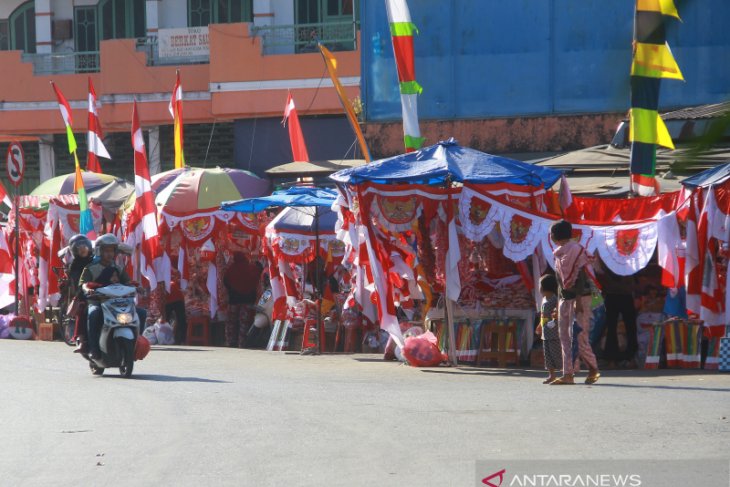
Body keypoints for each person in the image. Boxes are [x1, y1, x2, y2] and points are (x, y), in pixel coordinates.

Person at [550, 220, 600, 385]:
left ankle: (593, 368)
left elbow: (582, 277)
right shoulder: (558, 253)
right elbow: (560, 281)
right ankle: (568, 374)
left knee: (579, 336)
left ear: (556, 235)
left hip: (580, 298)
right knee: (564, 336)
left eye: (552, 233)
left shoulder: (577, 250)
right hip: (566, 298)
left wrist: (577, 300)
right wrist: (560, 303)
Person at [80, 234, 146, 359]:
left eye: (112, 250)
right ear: (99, 251)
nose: (109, 254)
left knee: (141, 313)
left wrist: (138, 287)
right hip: (97, 302)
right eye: (106, 250)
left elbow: (127, 282)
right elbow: (83, 284)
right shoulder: (90, 268)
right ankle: (94, 349)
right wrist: (87, 289)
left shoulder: (117, 268)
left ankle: (136, 343)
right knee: (93, 314)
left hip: (118, 303)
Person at [595, 257, 638, 369]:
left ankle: (630, 357)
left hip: (626, 293)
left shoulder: (629, 256)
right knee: (611, 328)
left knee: (630, 327)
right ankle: (611, 358)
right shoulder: (608, 255)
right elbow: (601, 272)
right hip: (612, 293)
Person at [223, 252, 262, 348]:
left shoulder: (231, 269)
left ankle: (230, 341)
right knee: (244, 322)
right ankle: (242, 343)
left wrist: (232, 290)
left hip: (234, 300)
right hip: (248, 300)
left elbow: (225, 281)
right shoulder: (251, 268)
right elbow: (258, 277)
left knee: (231, 322)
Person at [66, 235, 94, 353]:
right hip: (83, 293)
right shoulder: (75, 265)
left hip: (98, 290)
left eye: (85, 245)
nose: (83, 249)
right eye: (79, 247)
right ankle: (81, 339)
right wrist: (86, 288)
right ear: (75, 250)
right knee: (82, 310)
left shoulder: (95, 260)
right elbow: (78, 282)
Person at [535, 274, 561, 384]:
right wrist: (540, 325)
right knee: (547, 354)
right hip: (545, 332)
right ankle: (551, 375)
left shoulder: (555, 299)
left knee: (556, 353)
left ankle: (565, 372)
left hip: (554, 332)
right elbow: (543, 315)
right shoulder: (544, 300)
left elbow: (557, 314)